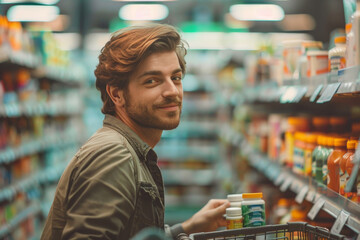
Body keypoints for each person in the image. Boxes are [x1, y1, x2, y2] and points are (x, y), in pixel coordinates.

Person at [40, 23, 229, 240]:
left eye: (176, 78)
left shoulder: (128, 149)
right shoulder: (113, 155)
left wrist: (187, 228)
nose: (172, 91)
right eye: (152, 81)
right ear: (117, 94)